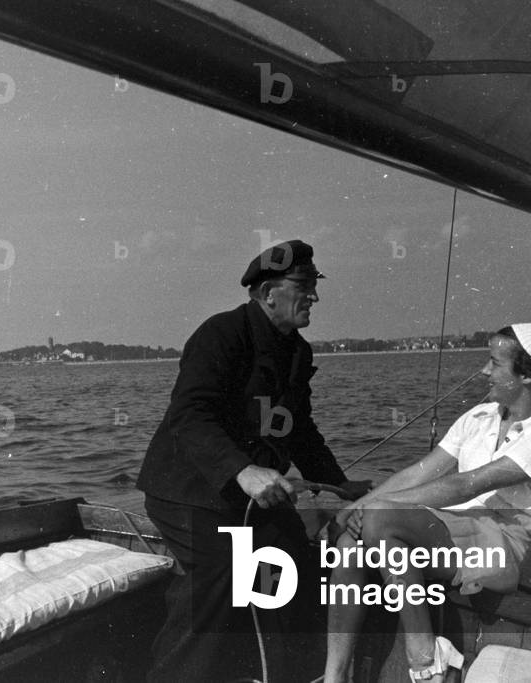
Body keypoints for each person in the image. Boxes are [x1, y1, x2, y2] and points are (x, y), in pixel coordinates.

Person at [137, 239, 371, 683]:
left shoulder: (297, 352)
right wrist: (242, 470)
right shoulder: (221, 334)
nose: (315, 297)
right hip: (186, 494)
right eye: (304, 286)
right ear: (269, 294)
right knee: (222, 572)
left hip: (247, 500)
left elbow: (298, 429)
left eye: (314, 286)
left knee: (290, 555)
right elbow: (191, 414)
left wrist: (340, 486)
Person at [323, 323, 531, 683]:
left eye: (495, 363)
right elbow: (420, 473)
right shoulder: (480, 417)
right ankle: (336, 674)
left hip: (500, 545)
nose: (484, 371)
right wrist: (355, 507)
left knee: (380, 520)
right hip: (452, 528)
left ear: (527, 377)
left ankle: (426, 659)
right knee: (349, 545)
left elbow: (465, 485)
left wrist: (376, 508)